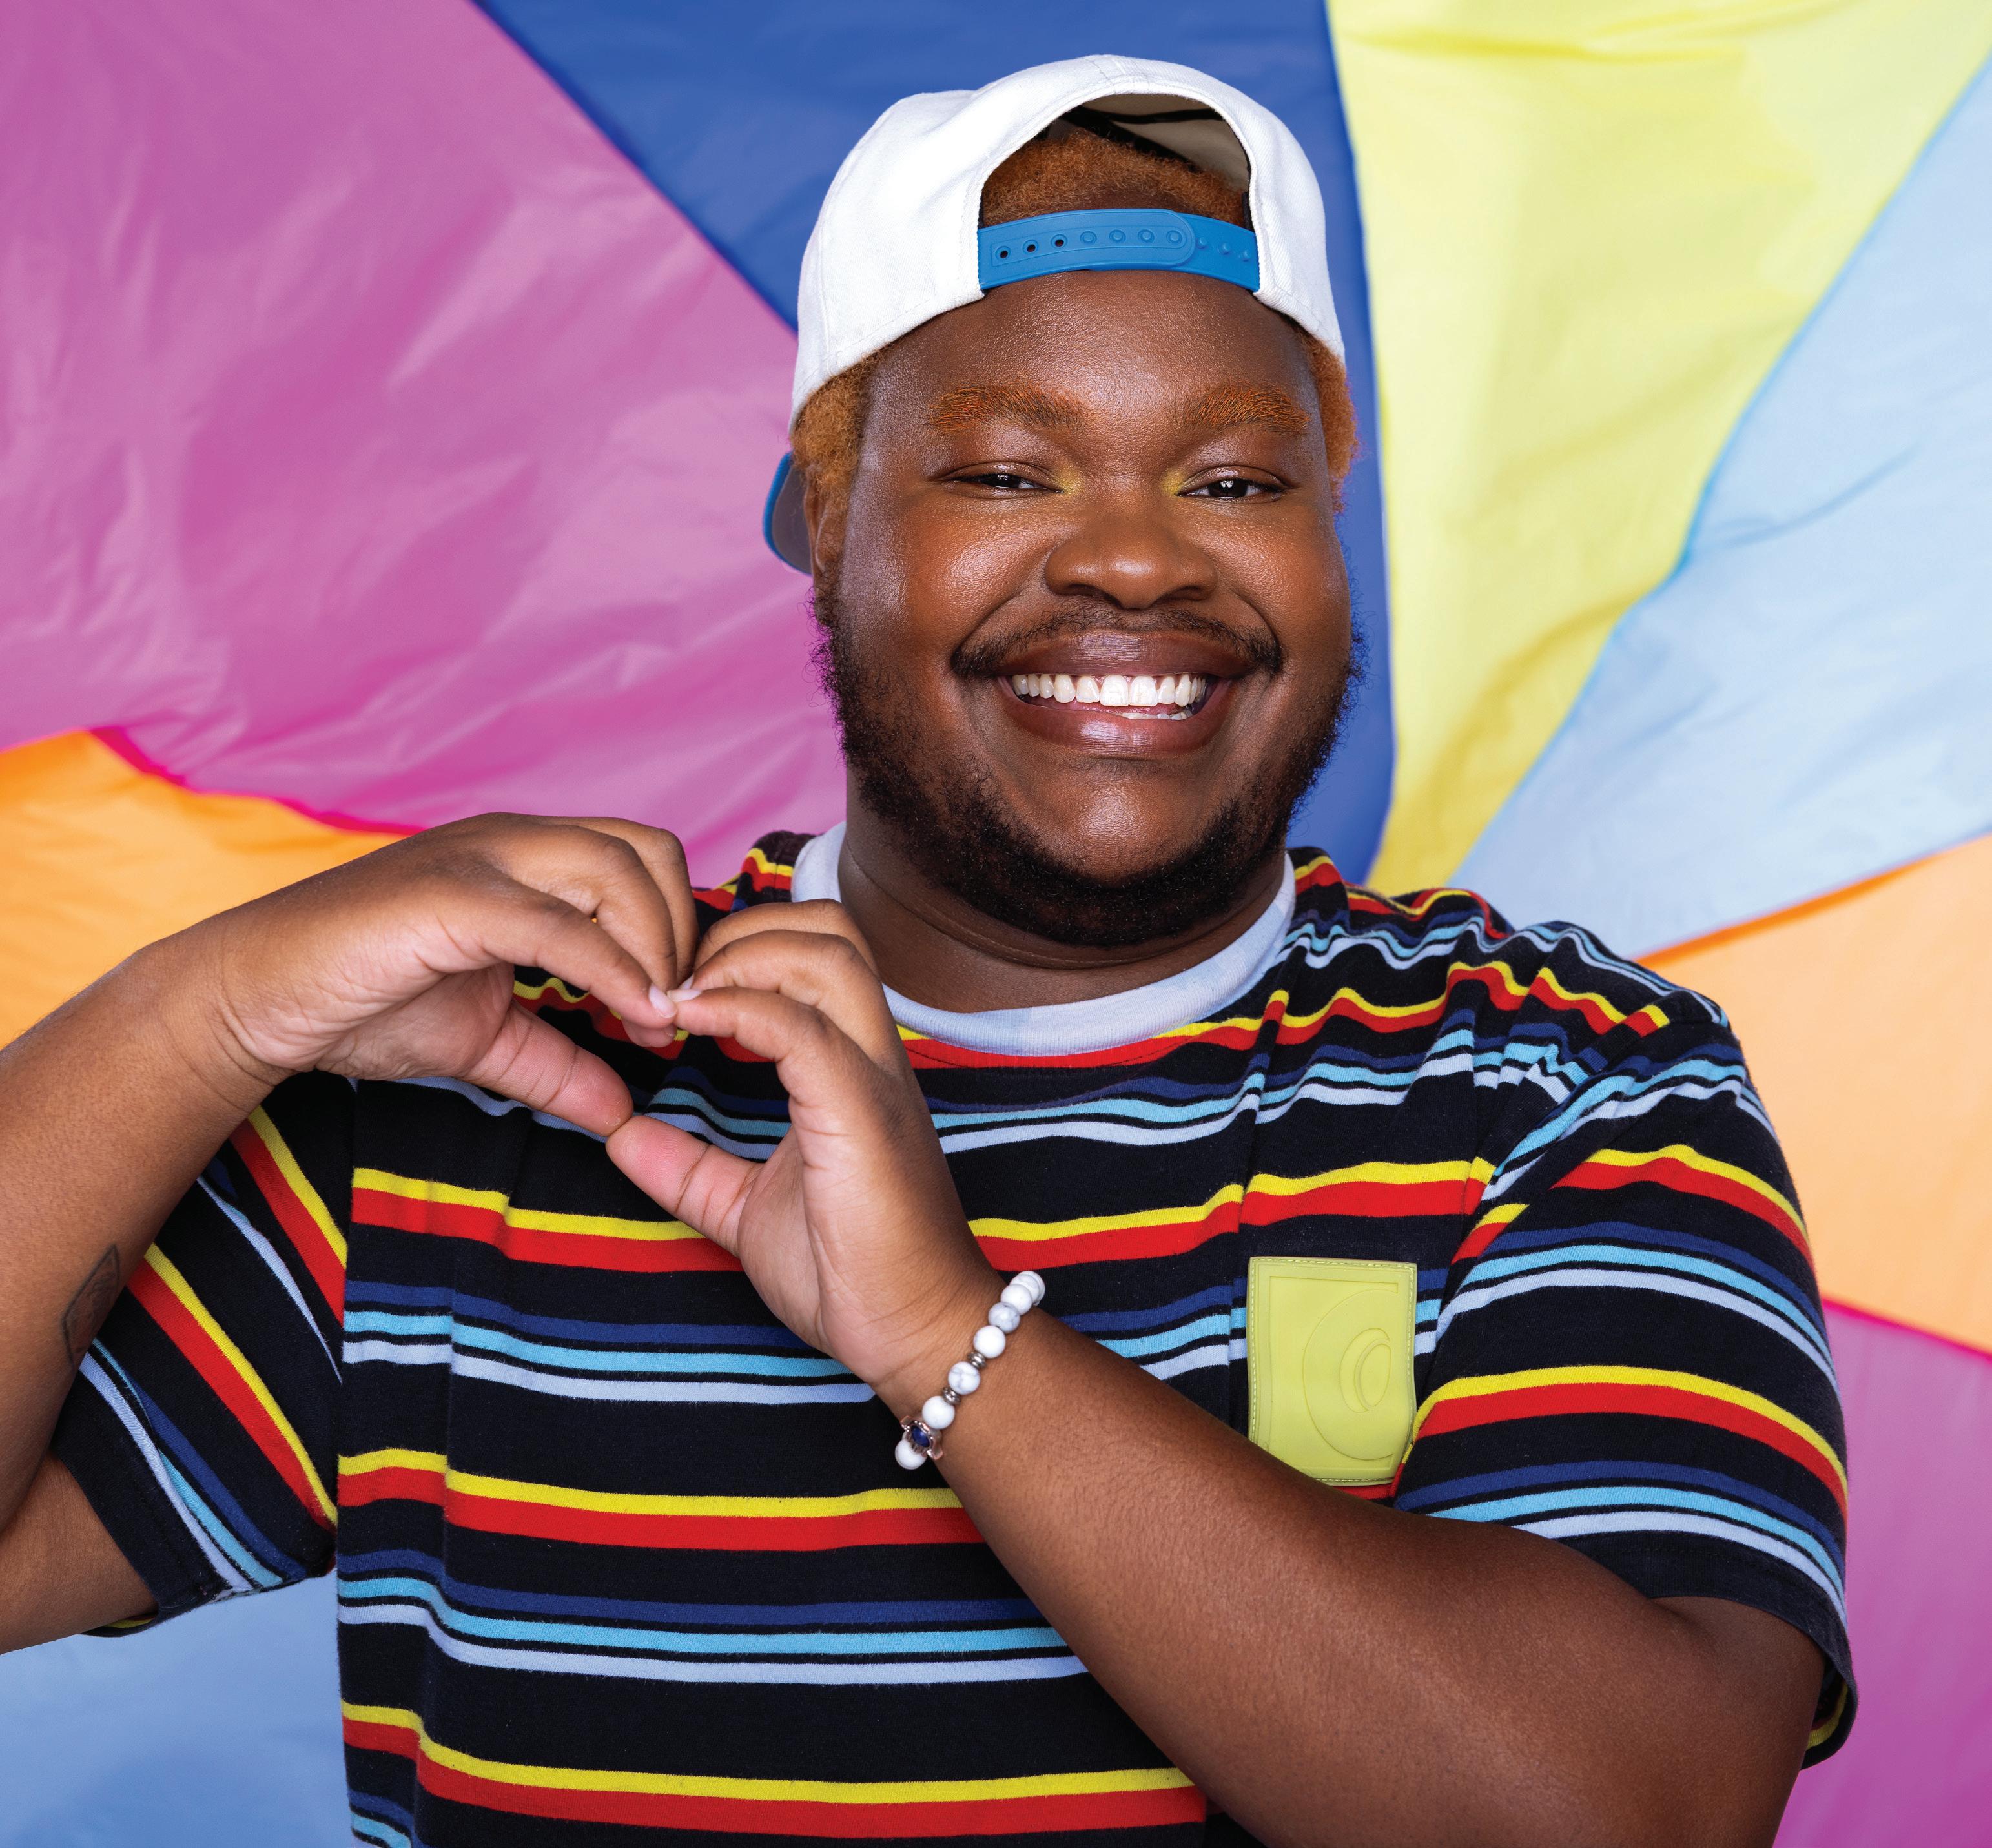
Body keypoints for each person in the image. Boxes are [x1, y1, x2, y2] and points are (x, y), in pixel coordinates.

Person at [0, 54, 1850, 1848]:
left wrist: (947, 1336)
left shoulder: (1567, 1081)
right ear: (824, 523)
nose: (1137, 561)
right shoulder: (503, 1076)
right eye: (1008, 474)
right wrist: (199, 1009)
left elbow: (1637, 1817)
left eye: (1234, 482)